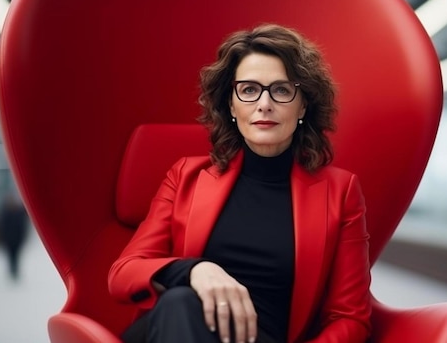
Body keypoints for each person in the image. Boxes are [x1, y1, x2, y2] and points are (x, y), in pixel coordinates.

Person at [108, 24, 371, 343]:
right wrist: (194, 271)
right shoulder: (185, 176)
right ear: (231, 105)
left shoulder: (340, 192)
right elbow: (123, 274)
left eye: (282, 90)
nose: (264, 104)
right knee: (180, 302)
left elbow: (350, 318)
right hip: (173, 325)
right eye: (248, 90)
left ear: (303, 104)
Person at [0, 190, 28, 280]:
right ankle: (12, 270)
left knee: (16, 255)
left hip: (17, 239)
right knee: (11, 256)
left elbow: (22, 224)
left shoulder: (18, 212)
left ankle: (15, 270)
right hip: (9, 240)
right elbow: (2, 228)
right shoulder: (5, 213)